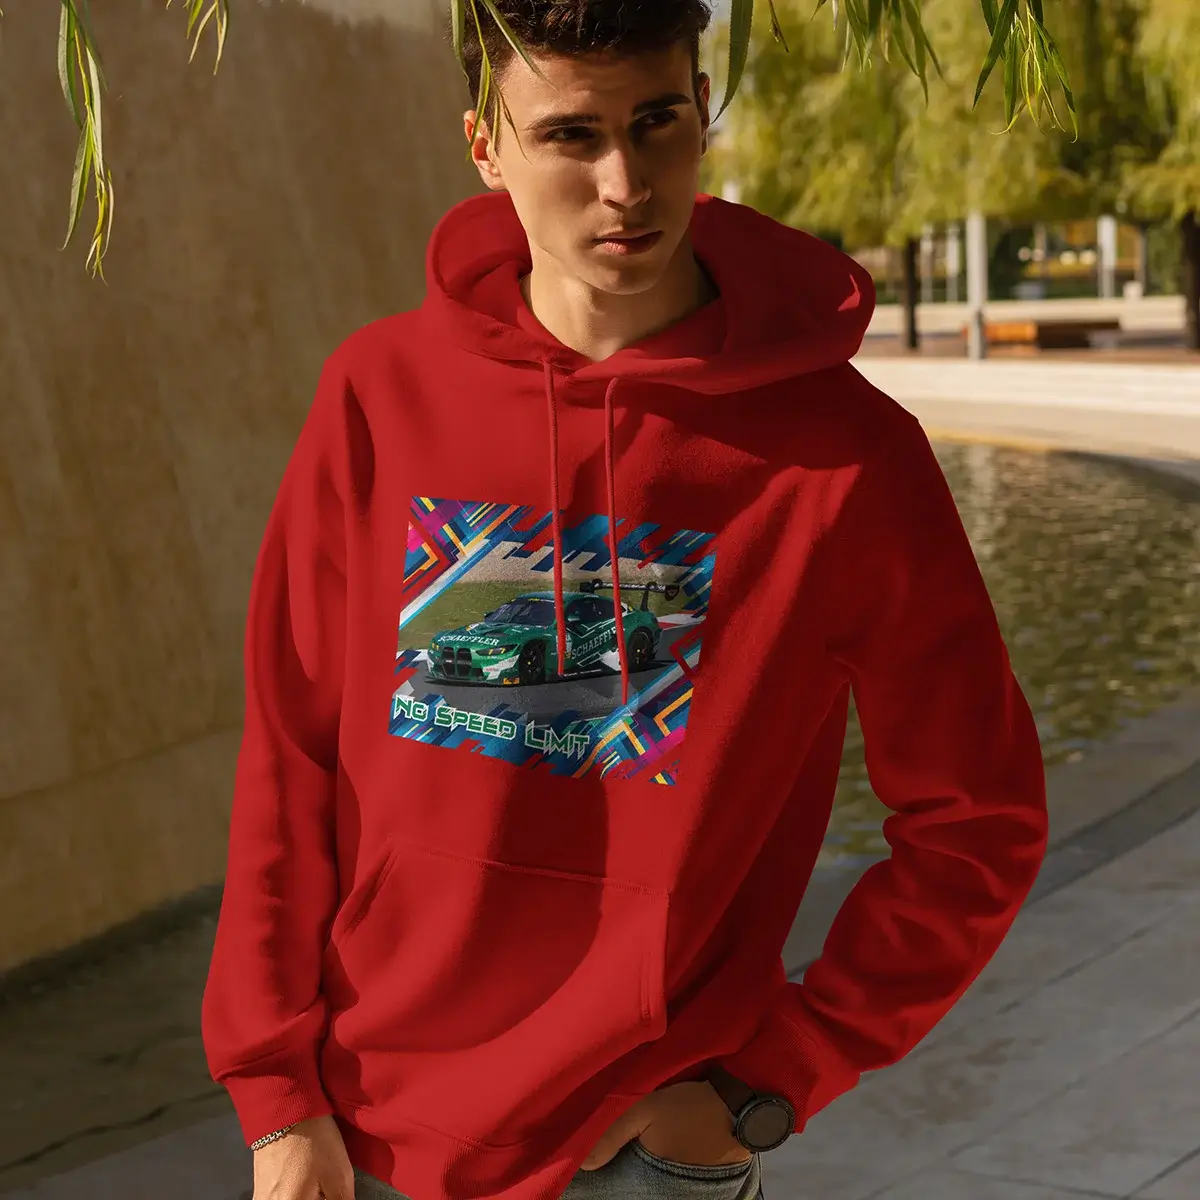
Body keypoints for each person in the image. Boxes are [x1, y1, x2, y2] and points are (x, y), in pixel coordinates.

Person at [201, 2, 1048, 1198]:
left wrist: (772, 1080)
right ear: (485, 147)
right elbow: (290, 758)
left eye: (656, 123)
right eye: (570, 135)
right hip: (365, 1139)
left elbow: (979, 821)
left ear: (701, 111)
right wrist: (275, 1097)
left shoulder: (843, 460)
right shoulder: (381, 400)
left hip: (644, 1156)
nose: (624, 184)